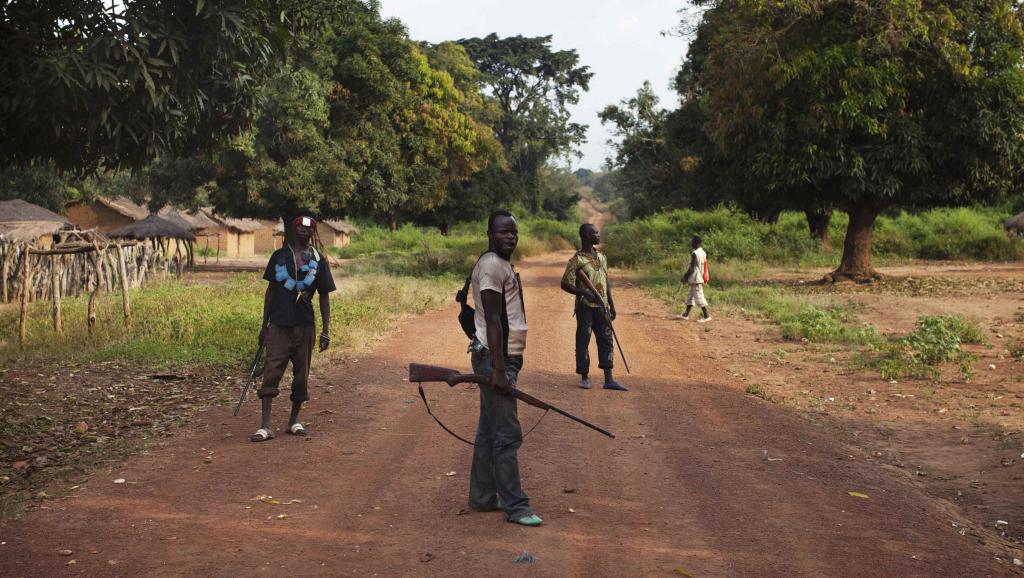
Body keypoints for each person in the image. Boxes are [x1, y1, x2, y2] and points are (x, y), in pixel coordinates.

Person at [467, 210, 542, 527]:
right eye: (503, 232)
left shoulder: (498, 263)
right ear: (490, 233)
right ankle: (516, 506)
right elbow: (494, 320)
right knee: (507, 435)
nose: (510, 237)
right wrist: (499, 369)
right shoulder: (491, 267)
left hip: (500, 358)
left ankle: (483, 498)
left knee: (489, 430)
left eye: (514, 233)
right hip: (496, 359)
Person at [250, 216, 336, 442]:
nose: (304, 231)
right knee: (271, 372)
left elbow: (324, 297)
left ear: (313, 232)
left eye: (309, 228)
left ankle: (293, 421)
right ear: (293, 228)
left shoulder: (319, 260)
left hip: (305, 326)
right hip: (278, 325)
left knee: (301, 376)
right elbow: (270, 292)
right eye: (300, 227)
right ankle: (265, 426)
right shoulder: (279, 256)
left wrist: (326, 331)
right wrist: (264, 326)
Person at [560, 224, 627, 391]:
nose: (598, 235)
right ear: (586, 236)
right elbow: (564, 283)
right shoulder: (577, 260)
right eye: (595, 233)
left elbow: (606, 281)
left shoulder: (602, 257)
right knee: (584, 339)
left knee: (606, 340)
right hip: (585, 306)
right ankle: (584, 377)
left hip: (602, 305)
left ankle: (609, 379)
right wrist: (583, 292)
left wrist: (611, 303)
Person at [679, 235, 711, 322]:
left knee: (699, 297)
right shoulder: (703, 252)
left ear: (696, 243)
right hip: (698, 276)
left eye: (692, 241)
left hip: (695, 278)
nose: (691, 243)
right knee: (690, 297)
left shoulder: (695, 253)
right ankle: (686, 314)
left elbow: (692, 268)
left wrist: (685, 277)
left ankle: (706, 316)